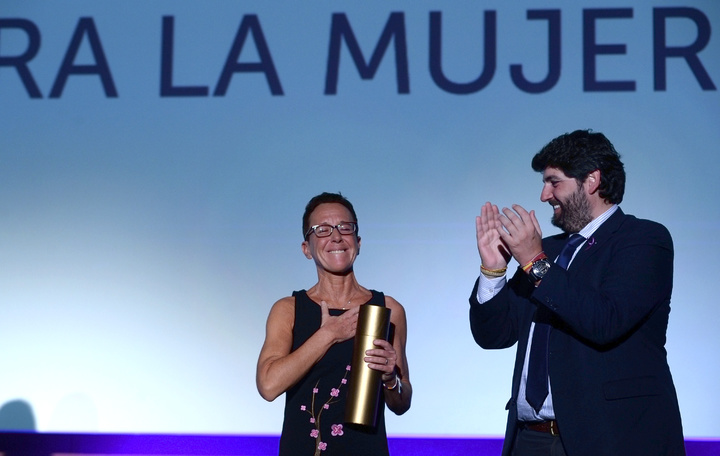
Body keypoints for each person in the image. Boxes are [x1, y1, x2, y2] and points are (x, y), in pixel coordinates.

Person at [470, 130, 685, 455]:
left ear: (592, 181)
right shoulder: (548, 251)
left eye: (554, 182)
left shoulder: (643, 240)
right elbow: (495, 335)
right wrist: (492, 270)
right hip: (529, 440)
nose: (544, 195)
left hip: (611, 439)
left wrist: (533, 261)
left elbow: (605, 321)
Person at [257, 192, 412, 456]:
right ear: (306, 249)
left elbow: (401, 402)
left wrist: (390, 379)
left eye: (345, 227)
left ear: (358, 242)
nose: (336, 236)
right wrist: (328, 334)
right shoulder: (289, 309)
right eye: (322, 230)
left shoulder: (387, 308)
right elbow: (269, 386)